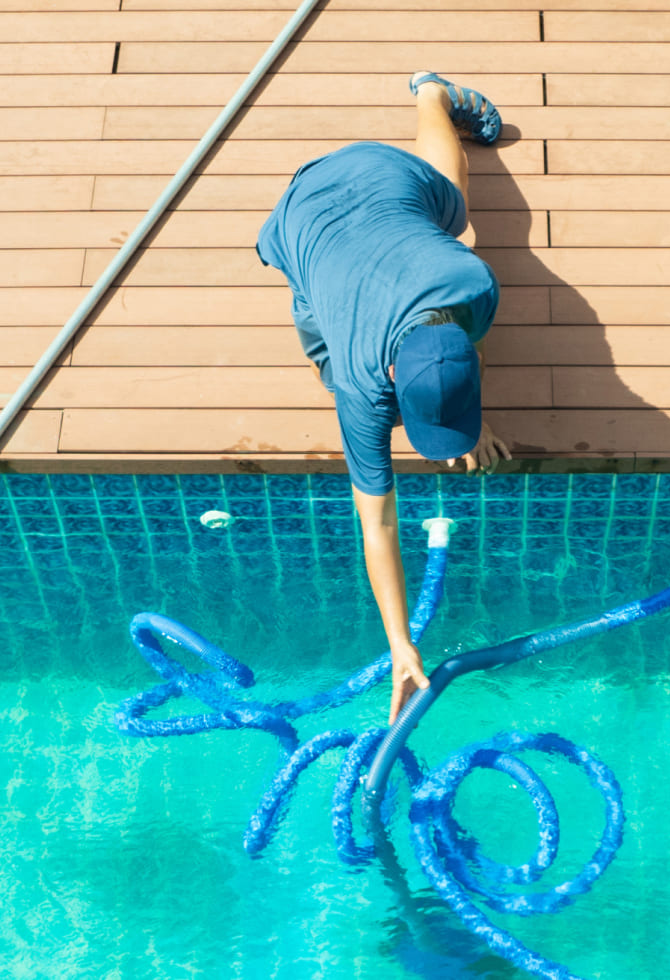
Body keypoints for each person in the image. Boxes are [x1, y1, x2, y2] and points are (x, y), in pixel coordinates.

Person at [256, 72, 511, 725]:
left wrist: (471, 420)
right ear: (389, 376)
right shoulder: (361, 387)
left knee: (451, 203)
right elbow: (379, 525)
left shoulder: (471, 281)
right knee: (319, 341)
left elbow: (467, 348)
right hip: (303, 212)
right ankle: (431, 96)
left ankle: (431, 95)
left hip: (387, 175)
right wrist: (399, 643)